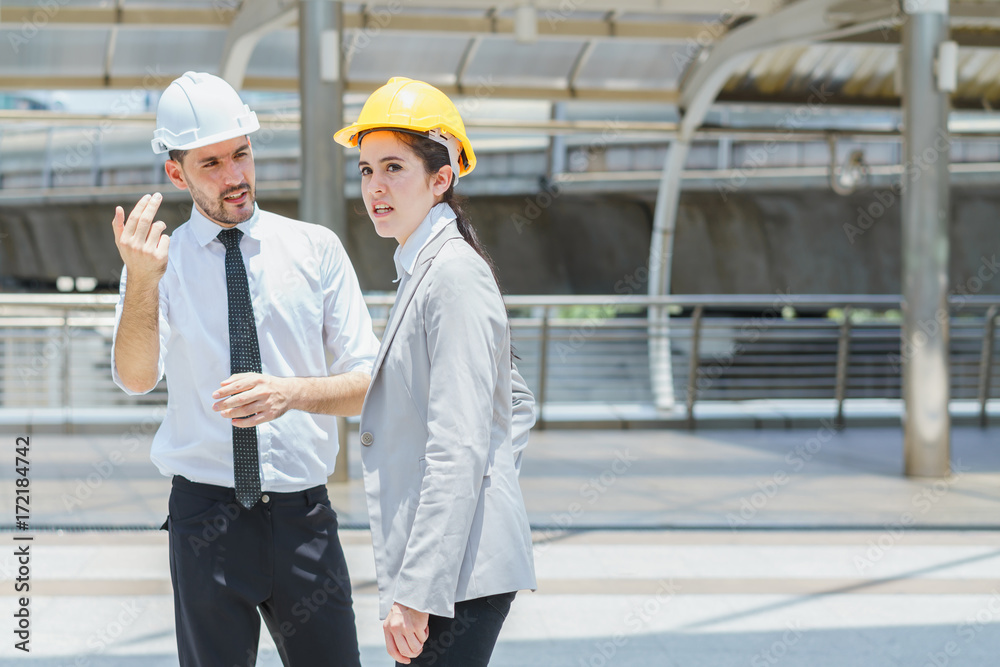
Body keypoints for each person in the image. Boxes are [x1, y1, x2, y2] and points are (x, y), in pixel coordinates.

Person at [110, 71, 379, 667]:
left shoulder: (316, 248)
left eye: (242, 154)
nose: (235, 176)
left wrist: (291, 393)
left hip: (303, 517)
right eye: (212, 163)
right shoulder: (158, 263)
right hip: (206, 518)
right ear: (176, 173)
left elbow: (369, 383)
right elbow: (134, 377)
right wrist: (142, 284)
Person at [334, 77, 537, 667]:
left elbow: (459, 442)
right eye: (367, 170)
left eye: (393, 167)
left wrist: (418, 593)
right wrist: (491, 472)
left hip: (456, 581)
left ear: (441, 178)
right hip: (454, 570)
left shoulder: (450, 276)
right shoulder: (426, 267)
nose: (375, 186)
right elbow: (515, 402)